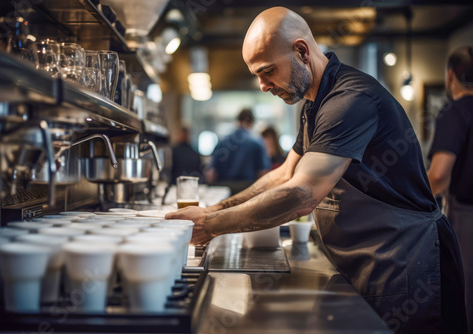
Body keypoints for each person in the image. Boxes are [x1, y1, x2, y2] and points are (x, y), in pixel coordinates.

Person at [167, 7, 466, 334]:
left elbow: (302, 193)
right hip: (367, 259)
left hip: (404, 262)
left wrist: (211, 225)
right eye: (256, 75)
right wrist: (214, 209)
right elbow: (283, 175)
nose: (263, 85)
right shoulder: (313, 105)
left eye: (267, 71)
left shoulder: (350, 99)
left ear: (301, 51)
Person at [427, 46, 473, 333]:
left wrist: (411, 203)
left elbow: (440, 175)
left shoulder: (455, 112)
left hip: (467, 215)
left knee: (465, 296)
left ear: (451, 76)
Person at [205, 108, 270, 195]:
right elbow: (262, 173)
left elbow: (211, 174)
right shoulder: (257, 142)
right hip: (246, 190)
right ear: (251, 123)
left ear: (238, 121)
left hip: (223, 190)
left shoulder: (223, 141)